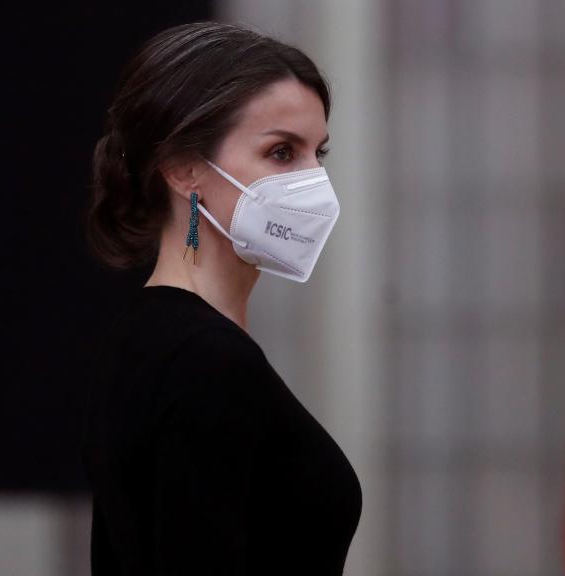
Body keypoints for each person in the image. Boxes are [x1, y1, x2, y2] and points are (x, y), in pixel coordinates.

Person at [80, 21, 362, 575]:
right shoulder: (207, 361)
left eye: (318, 154)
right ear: (184, 169)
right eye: (282, 153)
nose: (314, 184)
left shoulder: (141, 339)